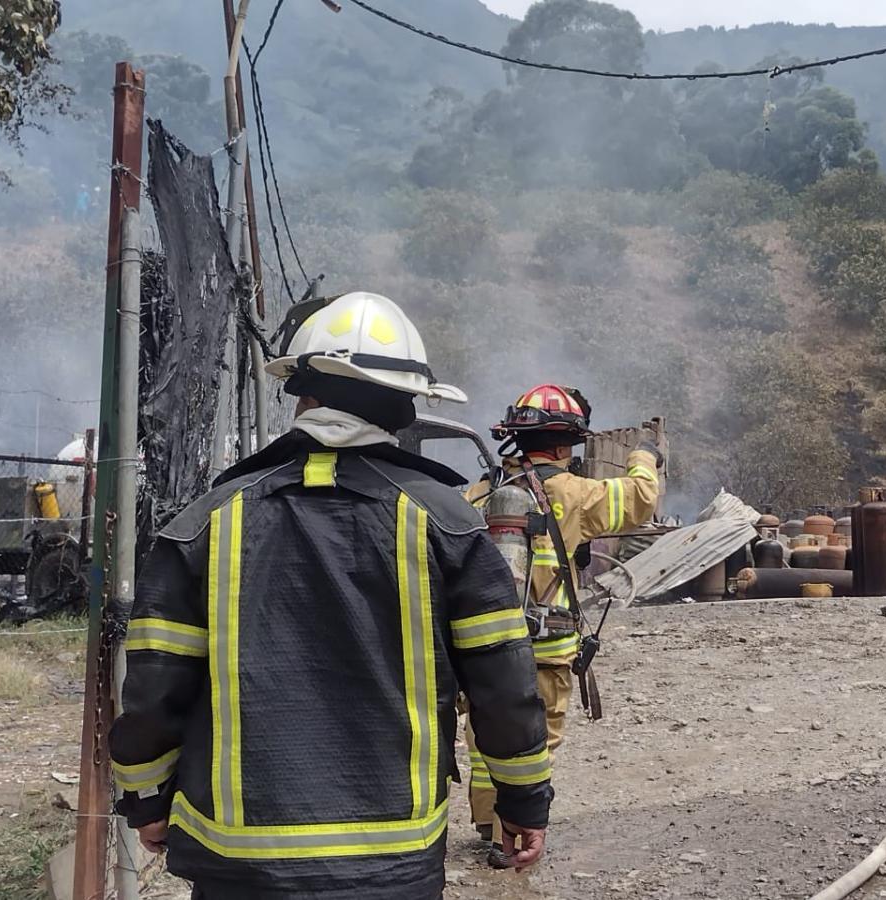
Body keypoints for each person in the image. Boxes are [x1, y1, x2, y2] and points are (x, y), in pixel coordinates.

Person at [109, 292, 553, 900]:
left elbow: (155, 685)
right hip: (392, 858)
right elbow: (503, 682)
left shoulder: (206, 522)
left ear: (302, 394)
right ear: (404, 409)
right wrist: (523, 797)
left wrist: (146, 800)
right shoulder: (448, 523)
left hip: (241, 863)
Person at [464, 383, 661, 866]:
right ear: (562, 444)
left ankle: (490, 822)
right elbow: (640, 501)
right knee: (537, 737)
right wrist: (644, 456)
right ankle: (516, 827)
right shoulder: (573, 493)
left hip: (483, 647)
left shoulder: (479, 493)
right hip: (547, 646)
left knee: (484, 737)